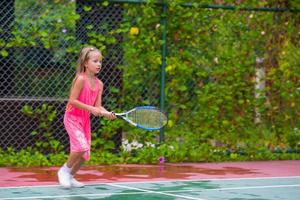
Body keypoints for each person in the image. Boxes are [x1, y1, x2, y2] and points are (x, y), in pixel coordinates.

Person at [57, 46, 116, 188]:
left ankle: (70, 177)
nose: (99, 64)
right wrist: (92, 109)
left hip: (84, 121)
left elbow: (98, 106)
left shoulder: (99, 84)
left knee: (85, 153)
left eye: (100, 61)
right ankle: (64, 171)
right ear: (85, 63)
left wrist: (106, 113)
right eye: (95, 61)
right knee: (81, 147)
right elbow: (72, 100)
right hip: (72, 118)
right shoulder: (80, 79)